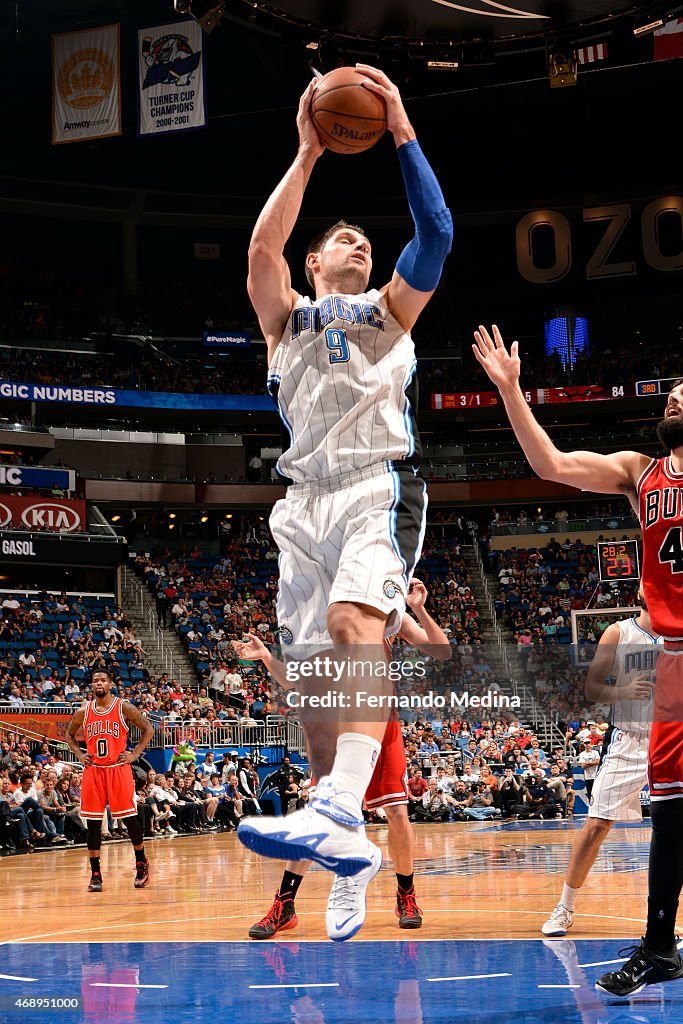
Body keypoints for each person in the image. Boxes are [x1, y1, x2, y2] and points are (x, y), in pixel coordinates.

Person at [236, 63, 452, 897]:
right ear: (315, 259)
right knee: (318, 694)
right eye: (343, 239)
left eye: (366, 239)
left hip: (373, 485)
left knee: (354, 621)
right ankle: (345, 840)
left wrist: (396, 124)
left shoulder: (392, 309)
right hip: (301, 504)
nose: (359, 243)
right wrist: (306, 150)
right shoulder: (282, 319)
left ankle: (337, 815)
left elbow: (433, 236)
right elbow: (260, 249)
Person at [473, 327, 683, 996]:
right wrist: (510, 390)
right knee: (670, 816)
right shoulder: (638, 471)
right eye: (673, 394)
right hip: (673, 663)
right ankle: (658, 945)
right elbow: (551, 464)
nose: (675, 398)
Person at [238, 577, 451, 940]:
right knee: (321, 813)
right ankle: (285, 904)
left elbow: (441, 649)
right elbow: (293, 681)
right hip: (334, 727)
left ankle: (406, 895)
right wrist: (266, 658)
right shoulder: (313, 621)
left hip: (380, 722)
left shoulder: (379, 608)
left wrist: (417, 607)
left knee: (397, 811)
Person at [542, 594, 661, 936]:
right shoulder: (618, 632)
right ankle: (565, 907)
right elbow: (592, 689)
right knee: (596, 826)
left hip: (671, 737)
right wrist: (623, 691)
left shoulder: (677, 632)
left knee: (673, 830)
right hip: (629, 740)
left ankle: (664, 919)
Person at [64, 669, 155, 892]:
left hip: (118, 769)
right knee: (94, 825)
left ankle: (141, 863)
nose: (99, 683)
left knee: (130, 819)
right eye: (95, 681)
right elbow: (68, 736)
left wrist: (134, 755)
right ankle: (96, 874)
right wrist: (79, 754)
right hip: (94, 771)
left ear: (110, 683)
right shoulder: (83, 711)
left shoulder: (123, 707)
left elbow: (148, 729)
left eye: (103, 680)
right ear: (91, 685)